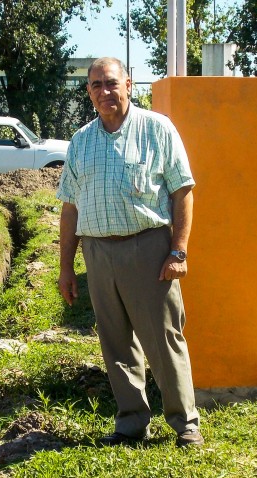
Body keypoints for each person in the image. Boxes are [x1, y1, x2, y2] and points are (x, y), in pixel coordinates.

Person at [56, 57, 203, 448]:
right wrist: (66, 268)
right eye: (96, 86)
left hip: (148, 249)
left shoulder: (156, 129)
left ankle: (185, 423)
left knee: (164, 338)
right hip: (99, 254)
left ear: (129, 84)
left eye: (111, 83)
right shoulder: (80, 142)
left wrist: (179, 251)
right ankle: (132, 422)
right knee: (115, 342)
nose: (105, 92)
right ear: (88, 93)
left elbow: (182, 190)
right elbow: (69, 207)